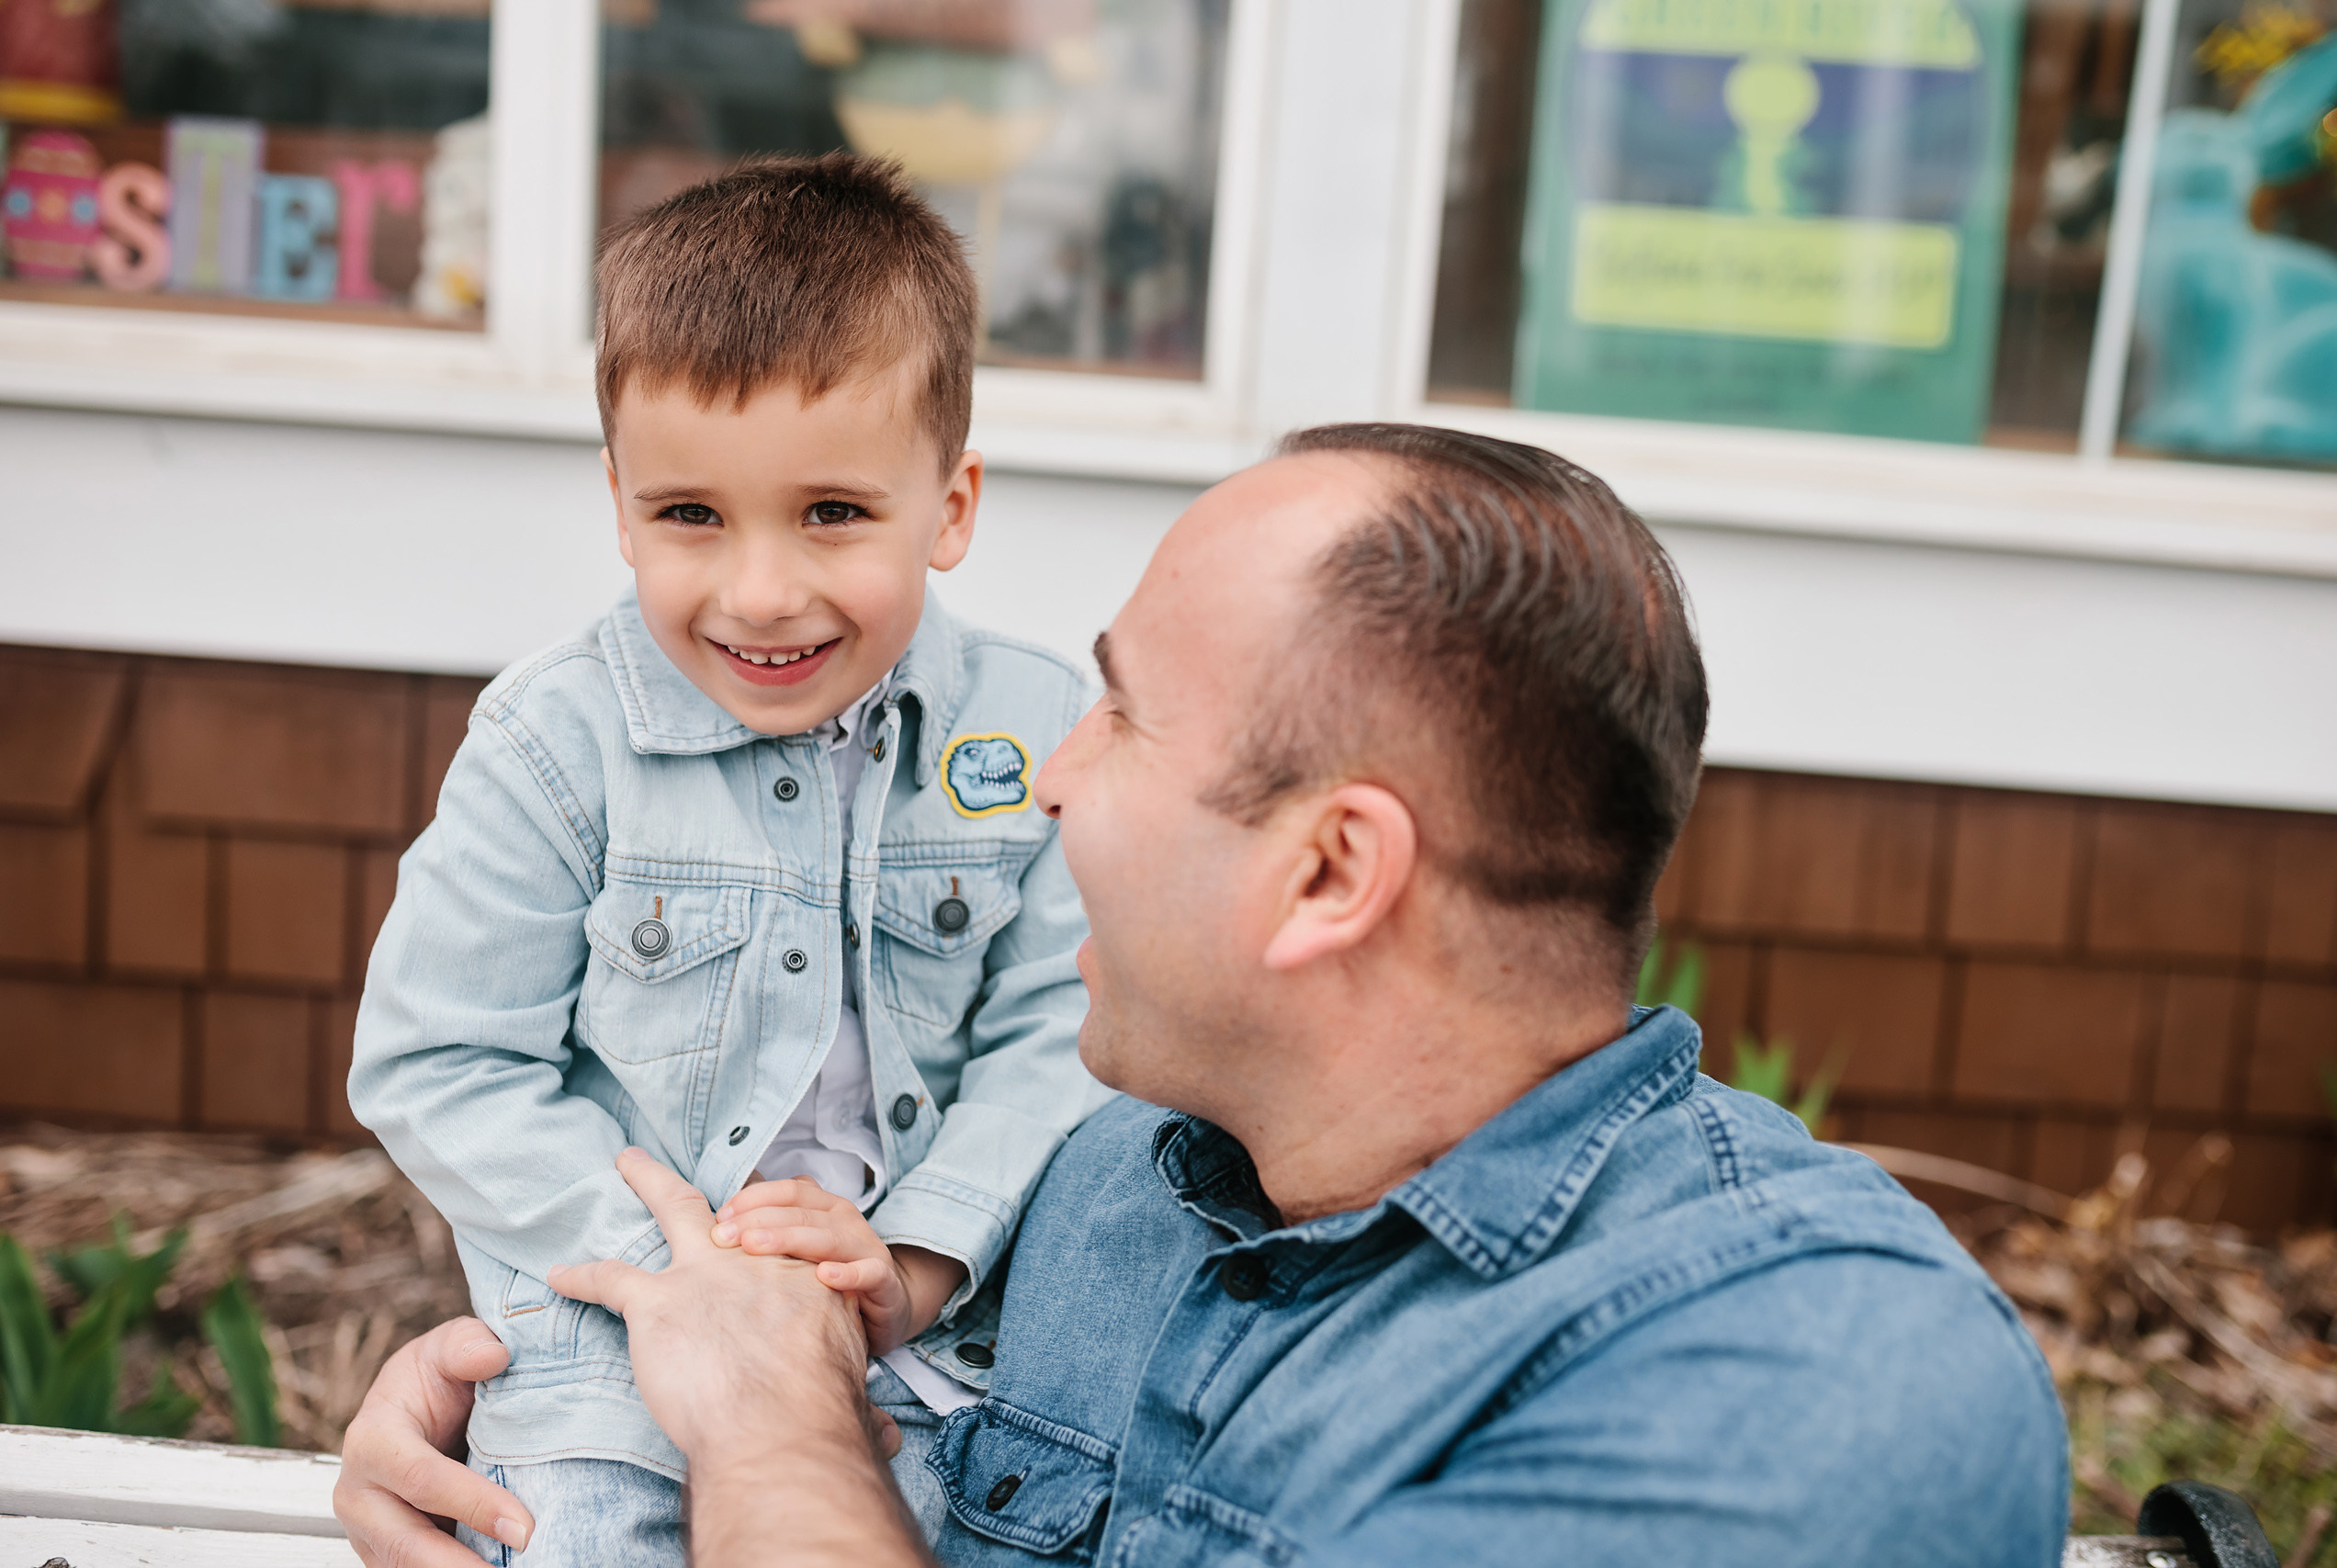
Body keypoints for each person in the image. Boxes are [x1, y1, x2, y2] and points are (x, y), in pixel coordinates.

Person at [338, 425, 2072, 1568]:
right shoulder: (1110, 1185)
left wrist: (764, 1423)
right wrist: (556, 1426)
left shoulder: (1805, 1390)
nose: (1048, 782)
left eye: (1121, 716)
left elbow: (788, 1422)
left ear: (1331, 871)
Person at [345, 154, 1110, 1565]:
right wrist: (670, 1276)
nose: (761, 593)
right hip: (610, 1356)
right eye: (690, 515)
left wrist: (928, 1255)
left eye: (833, 512)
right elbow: (434, 1057)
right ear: (621, 499)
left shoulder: (1037, 728)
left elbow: (1062, 1028)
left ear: (949, 505)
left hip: (938, 1358)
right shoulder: (555, 743)